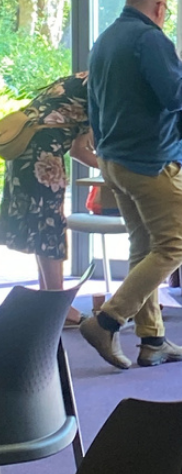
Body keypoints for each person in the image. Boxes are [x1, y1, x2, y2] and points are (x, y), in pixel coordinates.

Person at [83, 0, 182, 369]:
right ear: (159, 8)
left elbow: (94, 105)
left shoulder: (105, 40)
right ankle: (107, 321)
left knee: (144, 248)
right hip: (152, 163)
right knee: (176, 246)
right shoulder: (150, 40)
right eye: (166, 9)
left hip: (116, 162)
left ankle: (153, 340)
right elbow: (175, 96)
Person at [0, 72, 100, 325]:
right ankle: (58, 308)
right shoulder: (104, 85)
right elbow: (85, 148)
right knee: (49, 225)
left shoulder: (79, 79)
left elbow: (78, 150)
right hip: (42, 153)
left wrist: (108, 169)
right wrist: (116, 171)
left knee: (42, 225)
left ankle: (48, 301)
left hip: (23, 148)